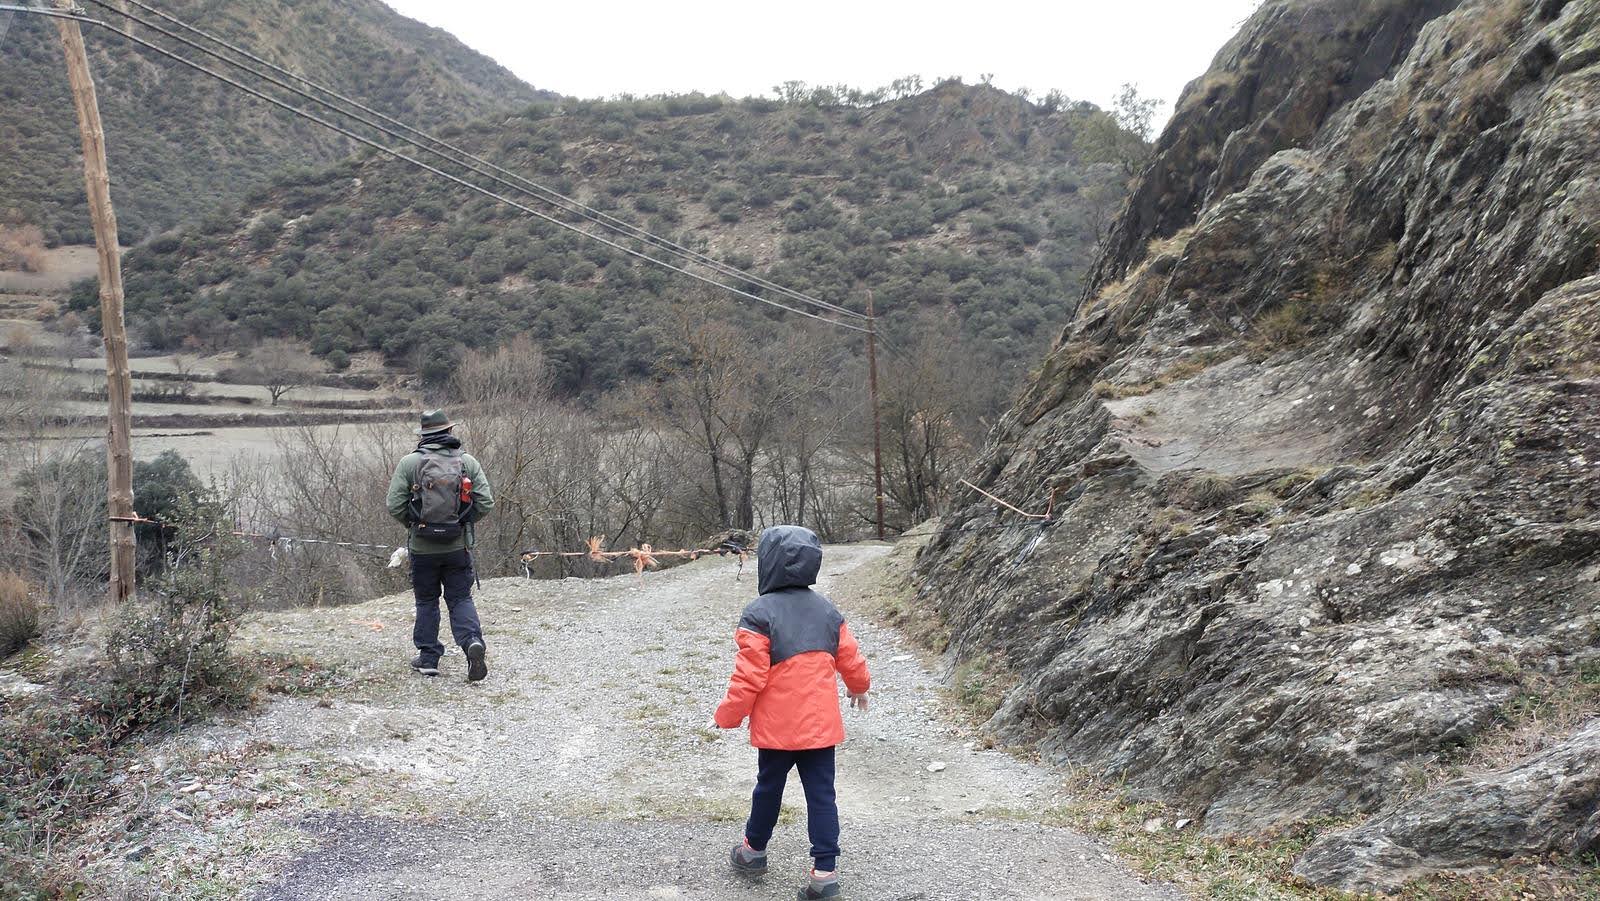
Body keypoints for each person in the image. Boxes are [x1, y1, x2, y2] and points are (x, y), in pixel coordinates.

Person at [714, 525, 870, 900]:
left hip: (777, 730)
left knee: (768, 788)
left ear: (767, 563)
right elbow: (851, 658)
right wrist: (859, 687)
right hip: (820, 729)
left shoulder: (758, 614)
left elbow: (748, 677)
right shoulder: (828, 611)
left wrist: (728, 715)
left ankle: (753, 852)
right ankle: (824, 874)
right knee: (822, 796)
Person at [386, 409, 495, 682]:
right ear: (448, 432)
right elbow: (485, 503)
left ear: (424, 435)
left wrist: (415, 525)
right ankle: (471, 642)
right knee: (460, 598)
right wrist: (462, 525)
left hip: (422, 549)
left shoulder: (409, 464)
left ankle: (428, 658)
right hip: (458, 548)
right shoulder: (467, 462)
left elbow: (394, 504)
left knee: (426, 600)